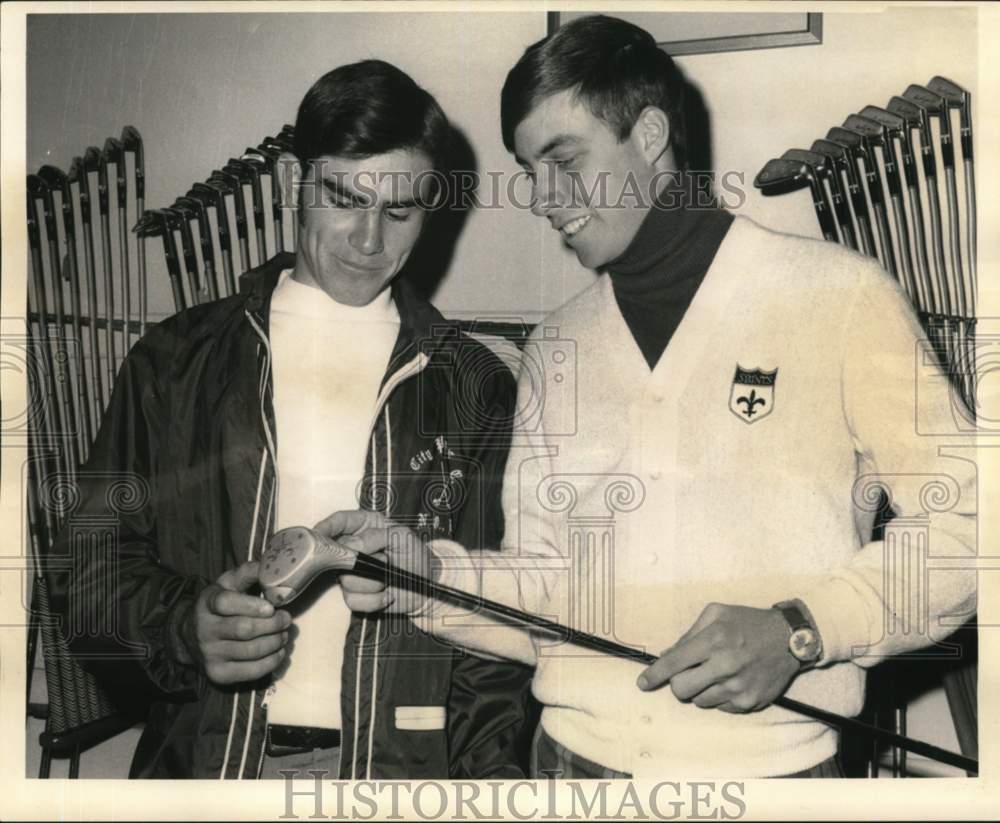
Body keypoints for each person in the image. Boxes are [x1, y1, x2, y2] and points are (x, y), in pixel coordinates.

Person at [332, 16, 978, 779]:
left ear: (648, 135)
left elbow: (973, 526)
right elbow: (552, 589)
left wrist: (804, 628)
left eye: (563, 161)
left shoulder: (840, 298)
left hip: (773, 775)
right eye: (527, 168)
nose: (541, 198)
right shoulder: (556, 347)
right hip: (569, 765)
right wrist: (424, 578)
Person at [46, 59, 535, 780]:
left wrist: (485, 788)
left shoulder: (473, 383)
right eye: (343, 198)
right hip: (216, 767)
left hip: (396, 775)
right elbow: (86, 568)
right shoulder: (175, 360)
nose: (368, 240)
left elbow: (494, 627)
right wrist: (187, 627)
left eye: (399, 211)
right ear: (288, 183)